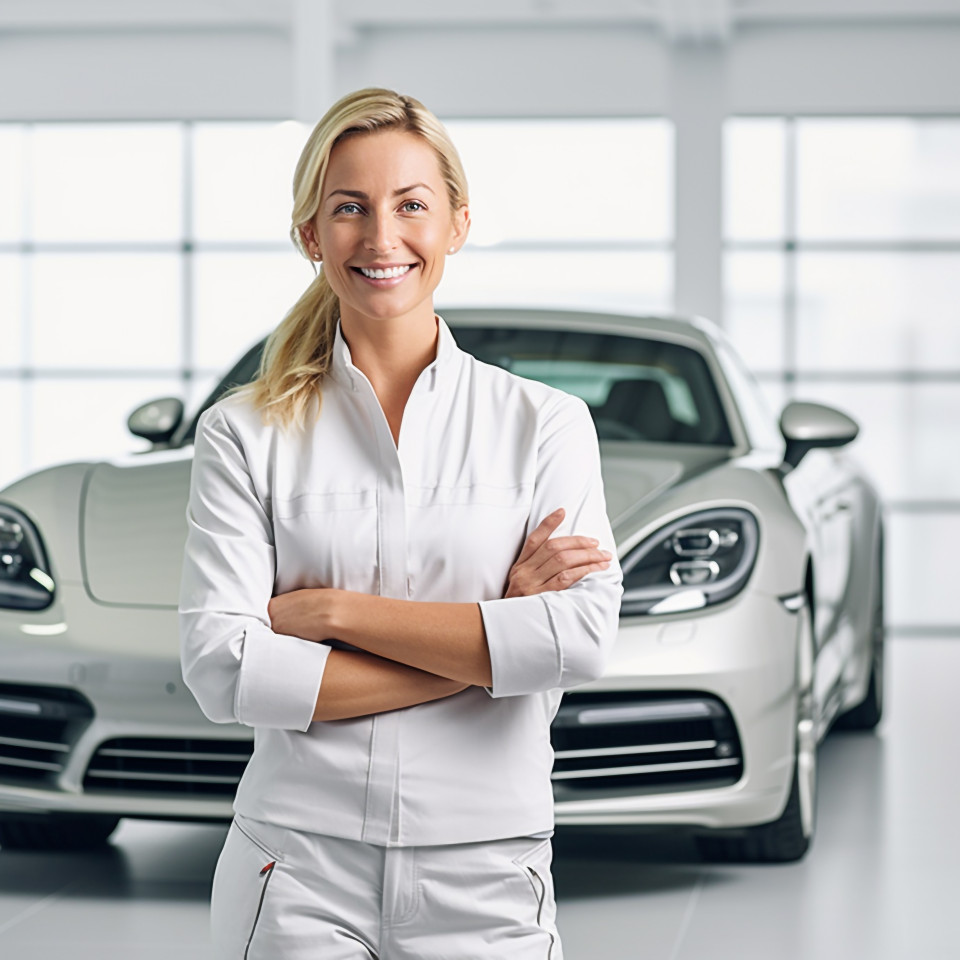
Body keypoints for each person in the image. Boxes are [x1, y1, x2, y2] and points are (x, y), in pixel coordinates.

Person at [178, 86, 623, 960]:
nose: (382, 238)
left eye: (411, 205)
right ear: (311, 233)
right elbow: (223, 669)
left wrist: (335, 616)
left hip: (489, 868)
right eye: (350, 208)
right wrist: (491, 643)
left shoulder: (546, 424)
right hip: (295, 868)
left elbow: (580, 639)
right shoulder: (245, 432)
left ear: (457, 222)